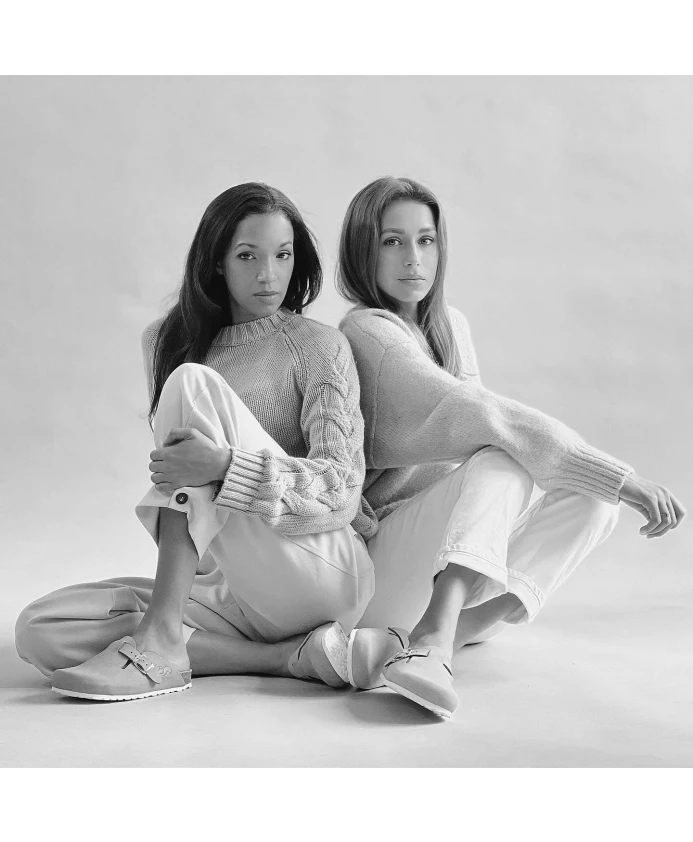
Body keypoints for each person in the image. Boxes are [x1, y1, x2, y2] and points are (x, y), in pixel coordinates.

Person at [336, 176, 685, 719]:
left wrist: (607, 484)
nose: (413, 259)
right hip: (383, 566)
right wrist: (622, 476)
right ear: (364, 251)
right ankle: (432, 637)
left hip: (444, 557)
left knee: (594, 500)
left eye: (426, 240)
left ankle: (463, 625)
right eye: (392, 242)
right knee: (502, 455)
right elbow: (477, 415)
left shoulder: (450, 326)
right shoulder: (367, 332)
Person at [15, 183, 377, 701]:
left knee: (191, 382)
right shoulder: (167, 343)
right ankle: (285, 657)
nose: (268, 274)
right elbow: (187, 492)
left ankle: (163, 637)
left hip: (323, 569)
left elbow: (342, 490)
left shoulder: (319, 346)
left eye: (282, 255)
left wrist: (227, 467)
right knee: (40, 629)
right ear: (216, 263)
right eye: (248, 255)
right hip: (236, 586)